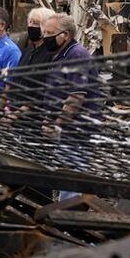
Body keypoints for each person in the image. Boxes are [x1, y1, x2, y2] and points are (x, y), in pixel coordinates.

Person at [40, 13, 98, 200]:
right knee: (64, 175)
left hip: (76, 131)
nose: (45, 37)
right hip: (65, 129)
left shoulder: (76, 55)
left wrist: (57, 124)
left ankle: (69, 221)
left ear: (65, 35)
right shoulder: (60, 55)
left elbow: (75, 98)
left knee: (71, 181)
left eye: (50, 33)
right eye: (44, 32)